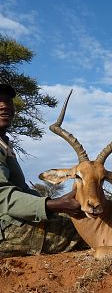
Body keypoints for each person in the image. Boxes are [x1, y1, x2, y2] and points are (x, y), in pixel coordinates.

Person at [0, 83, 87, 258]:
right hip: (4, 230)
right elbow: (2, 197)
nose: (5, 106)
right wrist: (54, 205)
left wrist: (57, 203)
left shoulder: (4, 144)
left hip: (9, 220)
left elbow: (21, 191)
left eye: (8, 101)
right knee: (84, 231)